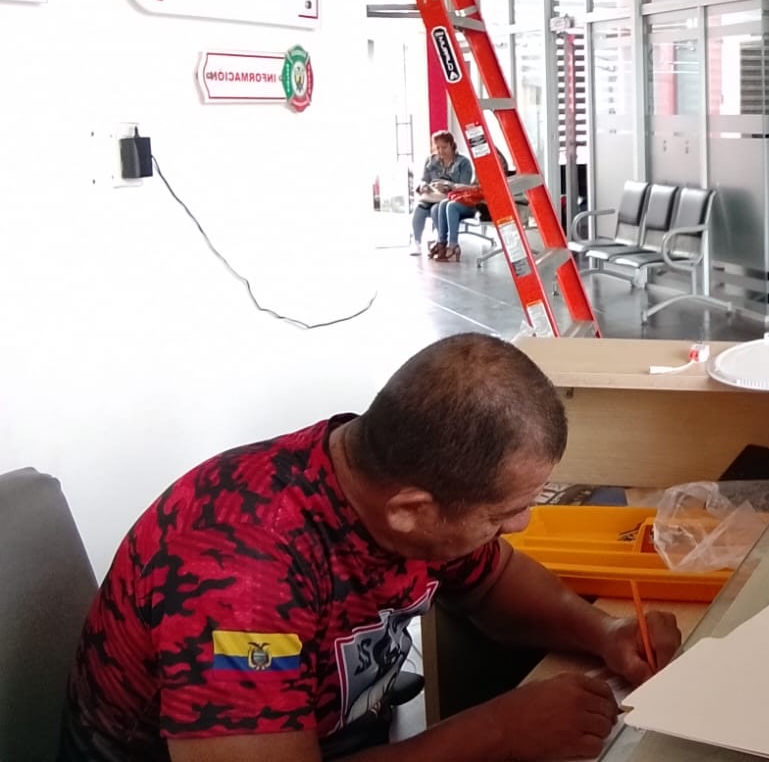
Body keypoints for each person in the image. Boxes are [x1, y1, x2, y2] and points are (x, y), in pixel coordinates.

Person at [59, 332, 681, 761]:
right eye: (502, 514)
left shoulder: (397, 485)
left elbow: (492, 580)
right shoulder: (239, 577)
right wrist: (498, 731)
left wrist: (605, 634)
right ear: (412, 511)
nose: (518, 526)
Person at [409, 130, 473, 259]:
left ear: (452, 145)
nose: (440, 151)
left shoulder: (463, 162)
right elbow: (424, 179)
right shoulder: (430, 160)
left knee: (436, 209)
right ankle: (416, 242)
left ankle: (441, 242)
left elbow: (464, 186)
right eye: (437, 148)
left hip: (450, 198)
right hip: (432, 196)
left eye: (444, 147)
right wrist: (424, 186)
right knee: (419, 208)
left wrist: (447, 187)